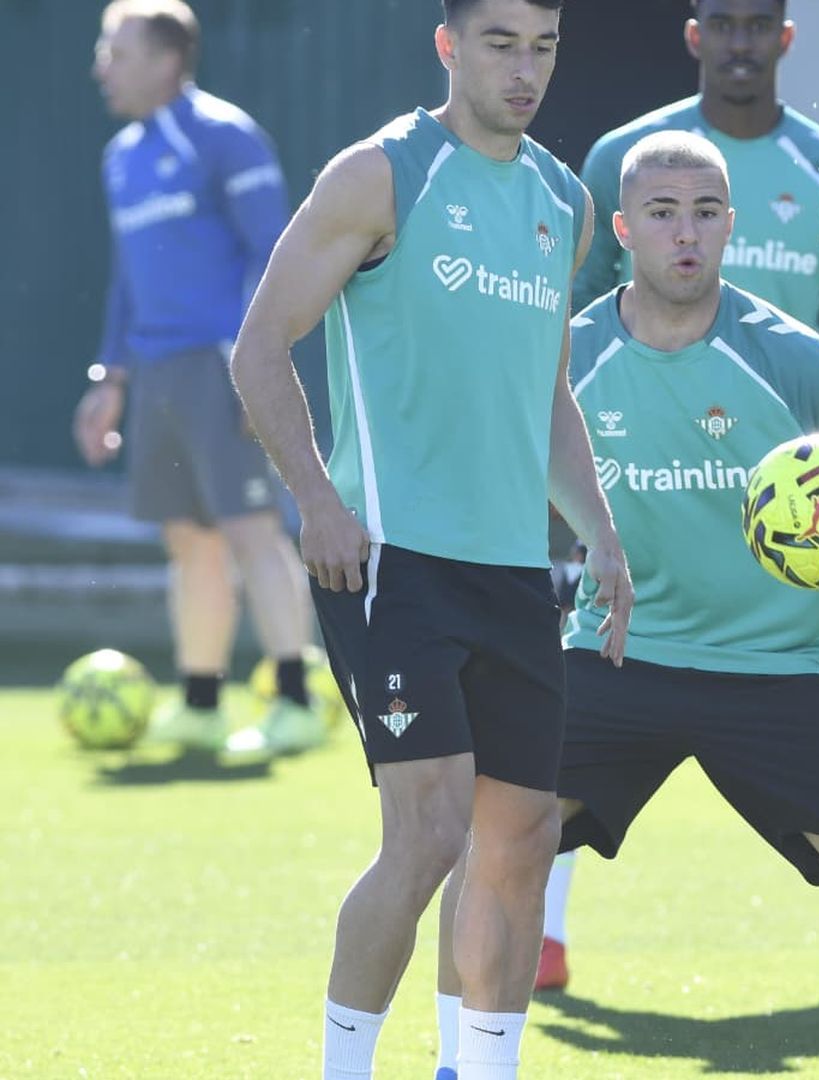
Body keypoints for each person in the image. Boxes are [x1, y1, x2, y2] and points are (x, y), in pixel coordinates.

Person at [436, 130, 819, 1079]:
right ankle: (468, 1067)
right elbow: (486, 479)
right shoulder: (564, 355)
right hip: (616, 655)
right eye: (661, 214)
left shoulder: (795, 359)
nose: (685, 233)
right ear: (621, 230)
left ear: (731, 226)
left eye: (705, 213)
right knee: (499, 841)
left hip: (777, 669)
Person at [226, 2, 634, 1077]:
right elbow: (260, 347)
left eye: (544, 45)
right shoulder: (379, 174)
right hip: (390, 560)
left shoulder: (564, 201)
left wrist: (602, 534)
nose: (526, 68)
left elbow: (548, 395)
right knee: (429, 833)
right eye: (501, 42)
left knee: (523, 839)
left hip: (513, 571)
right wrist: (319, 499)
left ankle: (477, 1069)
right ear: (448, 46)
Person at [542, 0, 819, 991]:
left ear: (786, 39)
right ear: (694, 35)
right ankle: (541, 927)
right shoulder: (631, 155)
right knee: (586, 677)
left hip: (801, 493)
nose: (742, 43)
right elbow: (578, 316)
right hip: (645, 470)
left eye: (761, 26)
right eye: (724, 25)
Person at [74, 0, 322, 755]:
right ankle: (204, 700)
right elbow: (127, 279)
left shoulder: (224, 136)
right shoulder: (121, 156)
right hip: (153, 371)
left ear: (167, 60)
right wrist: (109, 377)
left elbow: (271, 256)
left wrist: (256, 368)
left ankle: (296, 700)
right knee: (188, 539)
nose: (101, 67)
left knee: (251, 529)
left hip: (223, 367)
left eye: (116, 51)